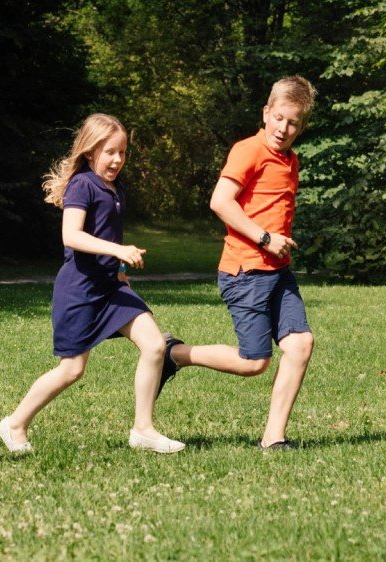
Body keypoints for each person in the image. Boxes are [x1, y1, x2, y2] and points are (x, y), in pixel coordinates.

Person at [0, 113, 185, 454]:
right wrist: (119, 250)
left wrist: (118, 269)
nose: (117, 160)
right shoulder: (82, 184)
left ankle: (143, 429)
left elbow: (106, 231)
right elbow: (71, 235)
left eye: (122, 153)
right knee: (71, 370)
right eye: (109, 152)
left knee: (155, 346)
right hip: (79, 292)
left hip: (111, 287)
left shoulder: (115, 188)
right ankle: (14, 423)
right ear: (89, 151)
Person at [159, 76, 317, 451]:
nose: (284, 128)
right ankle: (175, 354)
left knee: (300, 344)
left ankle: (273, 438)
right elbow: (220, 202)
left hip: (278, 271)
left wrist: (277, 244)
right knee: (253, 362)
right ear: (266, 113)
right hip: (246, 272)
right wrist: (265, 238)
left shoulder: (291, 160)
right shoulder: (248, 150)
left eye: (293, 122)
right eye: (279, 118)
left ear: (302, 126)